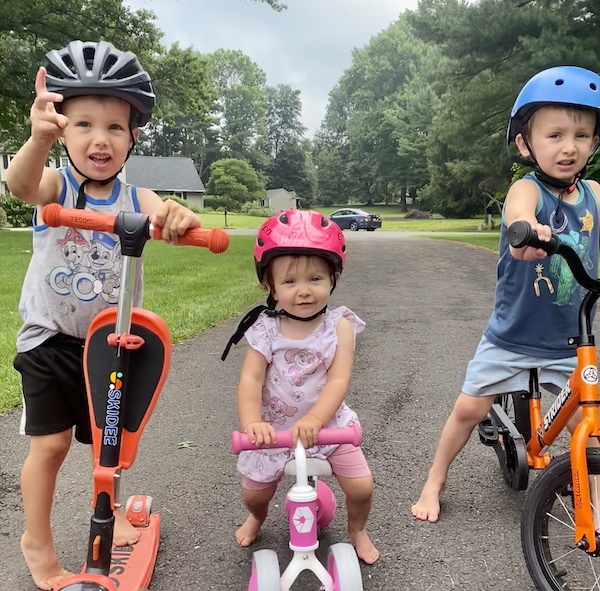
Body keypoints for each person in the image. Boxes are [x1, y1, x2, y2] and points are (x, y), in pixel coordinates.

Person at [7, 40, 200, 590]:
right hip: (49, 339)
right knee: (51, 443)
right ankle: (36, 540)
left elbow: (170, 214)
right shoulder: (57, 185)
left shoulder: (137, 196)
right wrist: (38, 137)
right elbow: (22, 186)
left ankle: (108, 517)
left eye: (115, 127)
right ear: (64, 130)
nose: (100, 138)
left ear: (133, 136)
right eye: (84, 123)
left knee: (108, 447)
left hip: (110, 343)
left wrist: (179, 216)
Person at [411, 65, 600, 523]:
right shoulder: (526, 188)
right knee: (469, 408)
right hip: (513, 336)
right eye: (554, 134)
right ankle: (435, 479)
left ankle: (593, 509)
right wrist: (527, 232)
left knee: (590, 428)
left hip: (571, 343)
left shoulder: (594, 193)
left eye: (582, 134)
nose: (569, 146)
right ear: (525, 143)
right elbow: (519, 213)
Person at [221, 209, 379, 564]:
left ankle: (357, 528)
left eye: (315, 278)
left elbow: (339, 379)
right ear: (270, 285)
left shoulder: (339, 325)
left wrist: (317, 420)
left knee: (361, 487)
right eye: (290, 282)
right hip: (272, 430)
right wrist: (251, 425)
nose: (304, 291)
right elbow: (250, 379)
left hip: (328, 426)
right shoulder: (265, 329)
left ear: (333, 276)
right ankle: (257, 519)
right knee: (254, 494)